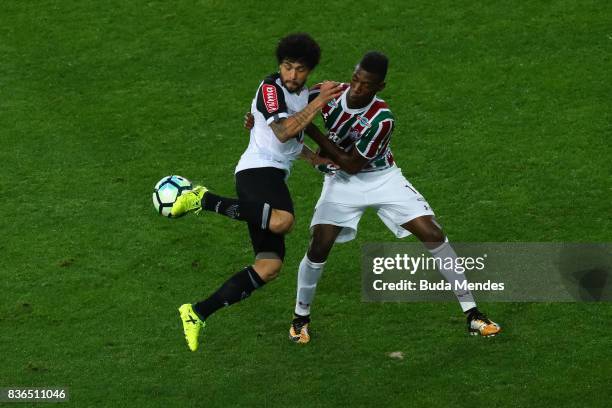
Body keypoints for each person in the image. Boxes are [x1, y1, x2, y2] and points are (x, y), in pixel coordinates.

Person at [246, 51, 501, 344]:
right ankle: (299, 319)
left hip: (382, 178)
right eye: (355, 79)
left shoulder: (382, 118)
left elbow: (351, 163)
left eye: (366, 85)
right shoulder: (328, 93)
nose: (357, 88)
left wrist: (312, 128)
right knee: (319, 245)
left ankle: (473, 314)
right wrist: (256, 119)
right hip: (340, 184)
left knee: (433, 233)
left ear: (379, 87)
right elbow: (282, 111)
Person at [170, 33, 343, 351]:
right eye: (287, 67)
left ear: (310, 70)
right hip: (256, 171)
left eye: (300, 69)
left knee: (269, 266)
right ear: (280, 65)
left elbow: (292, 140)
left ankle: (197, 312)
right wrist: (320, 102)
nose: (292, 75)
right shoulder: (270, 90)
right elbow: (281, 131)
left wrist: (314, 159)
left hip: (272, 173)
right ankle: (202, 199)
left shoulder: (303, 95)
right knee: (282, 221)